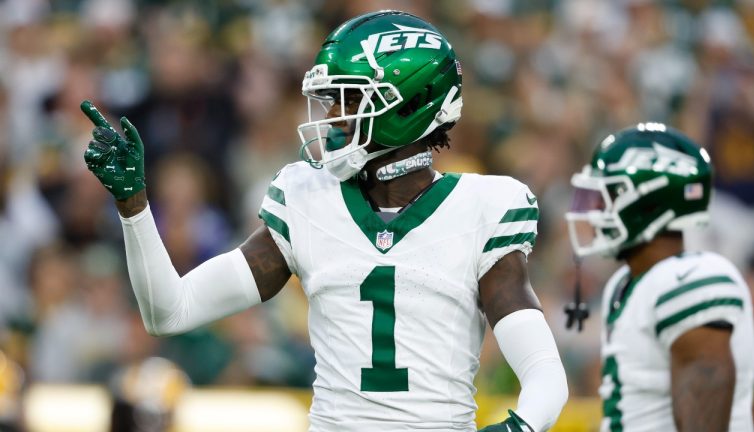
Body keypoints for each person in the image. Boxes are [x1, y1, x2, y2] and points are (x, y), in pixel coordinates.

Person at [81, 11, 568, 432]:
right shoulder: (307, 198)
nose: (332, 117)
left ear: (410, 104)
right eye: (331, 99)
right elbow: (170, 311)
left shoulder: (482, 206)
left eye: (351, 99)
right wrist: (134, 205)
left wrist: (520, 425)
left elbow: (545, 372)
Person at [565, 122, 754, 431]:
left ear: (647, 201)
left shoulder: (690, 281)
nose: (595, 210)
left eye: (607, 196)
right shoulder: (626, 284)